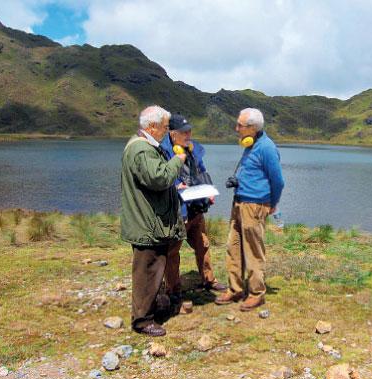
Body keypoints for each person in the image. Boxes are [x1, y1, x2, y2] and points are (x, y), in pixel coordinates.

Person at [120, 105, 186, 337]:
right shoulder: (141, 150)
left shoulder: (145, 147)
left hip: (149, 221)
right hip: (146, 223)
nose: (167, 132)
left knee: (154, 266)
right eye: (165, 127)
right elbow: (159, 178)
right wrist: (178, 160)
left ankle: (152, 308)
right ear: (152, 127)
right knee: (146, 270)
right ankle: (142, 320)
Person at [215, 108, 284, 311]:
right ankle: (235, 288)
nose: (236, 128)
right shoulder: (250, 144)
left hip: (254, 206)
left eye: (240, 125)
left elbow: (278, 181)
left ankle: (256, 293)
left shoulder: (267, 148)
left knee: (253, 251)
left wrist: (272, 204)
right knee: (233, 246)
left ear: (252, 128)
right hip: (239, 202)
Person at [159, 114, 227, 304]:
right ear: (172, 134)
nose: (189, 134)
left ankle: (208, 280)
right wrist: (176, 187)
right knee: (172, 251)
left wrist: (209, 190)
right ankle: (173, 289)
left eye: (190, 130)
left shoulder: (193, 148)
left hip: (196, 207)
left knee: (203, 244)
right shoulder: (162, 151)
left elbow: (202, 171)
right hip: (178, 211)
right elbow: (160, 177)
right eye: (184, 132)